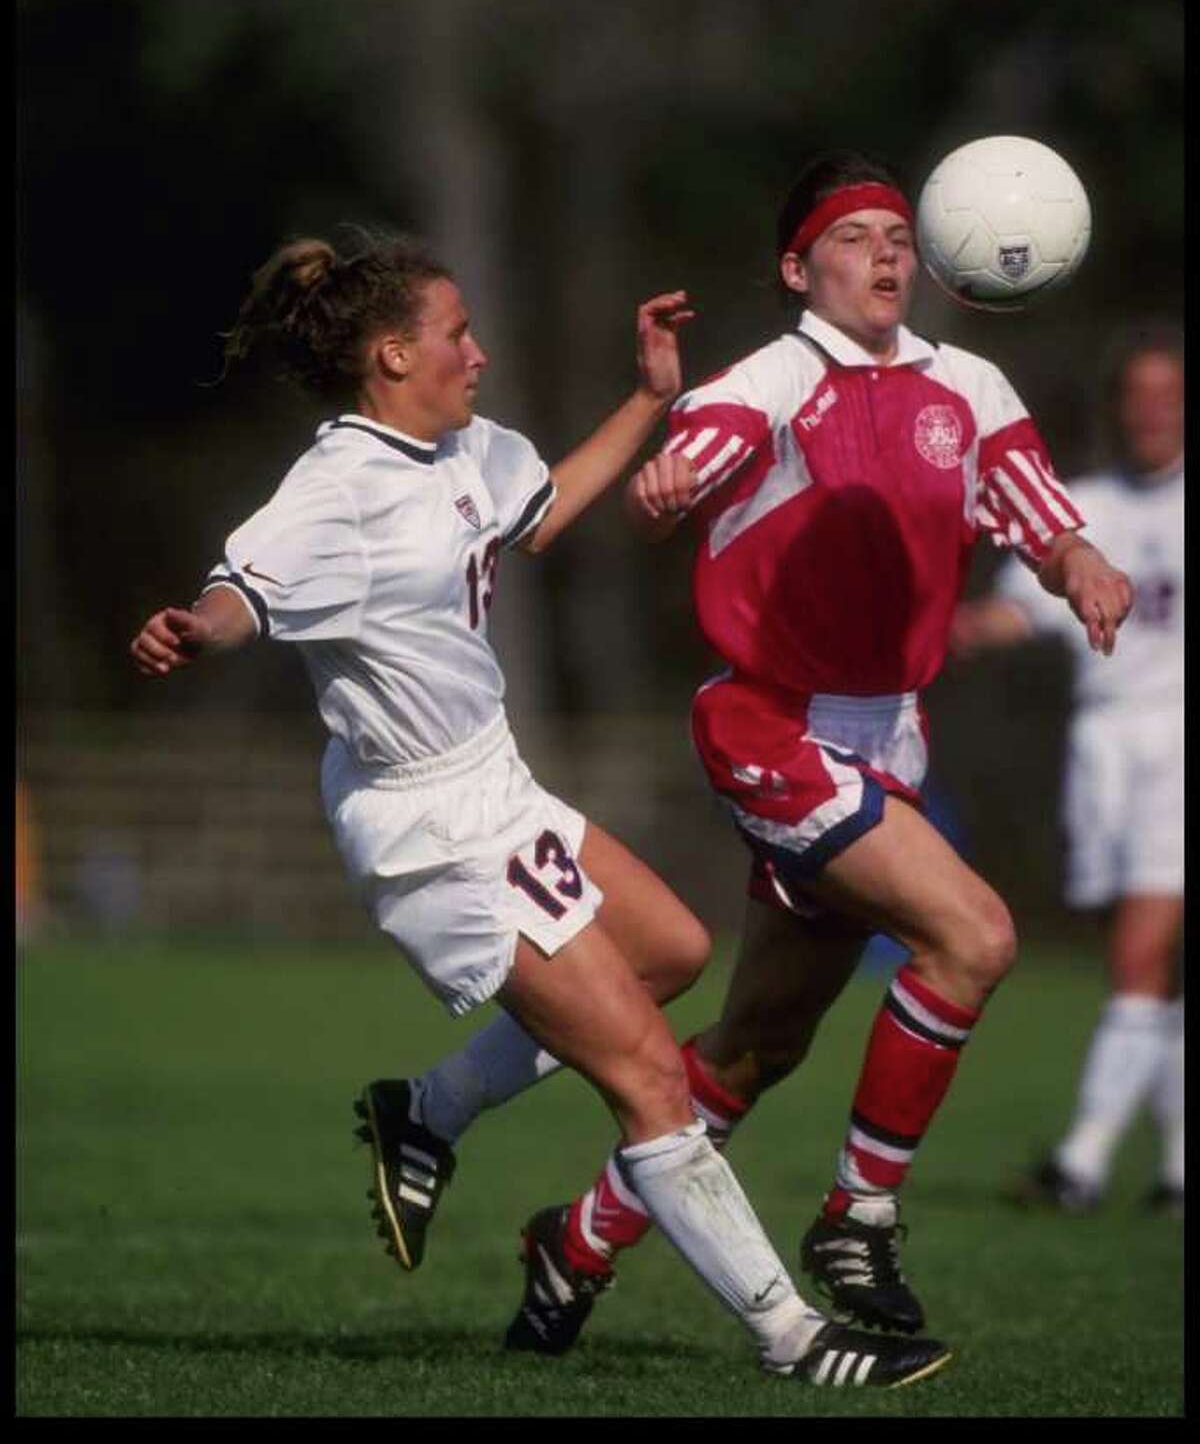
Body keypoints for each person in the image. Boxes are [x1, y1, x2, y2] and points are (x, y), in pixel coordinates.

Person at [130, 225, 952, 1391]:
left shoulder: (460, 447)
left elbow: (542, 508)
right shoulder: (339, 486)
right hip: (427, 828)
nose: (478, 351)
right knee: (648, 1075)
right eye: (456, 333)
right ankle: (794, 1336)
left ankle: (428, 1109)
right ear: (389, 356)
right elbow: (241, 590)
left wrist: (647, 398)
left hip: (495, 783)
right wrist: (192, 626)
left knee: (671, 947)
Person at [379, 154, 1133, 1353]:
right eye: (855, 237)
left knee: (758, 1041)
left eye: (898, 234)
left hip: (888, 736)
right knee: (976, 935)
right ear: (799, 268)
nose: (886, 252)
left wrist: (1079, 562)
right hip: (770, 726)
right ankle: (859, 1214)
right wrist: (667, 483)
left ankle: (573, 1243)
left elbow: (1035, 509)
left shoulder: (972, 387)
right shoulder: (777, 377)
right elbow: (700, 451)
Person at [949, 328, 1183, 1216]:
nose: (1156, 409)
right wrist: (954, 633)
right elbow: (1019, 612)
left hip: (1179, 745)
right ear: (1122, 408)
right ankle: (1176, 1173)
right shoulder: (1083, 508)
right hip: (1106, 750)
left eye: (1172, 392)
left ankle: (1081, 1162)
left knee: (1142, 952)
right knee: (1149, 966)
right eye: (1142, 393)